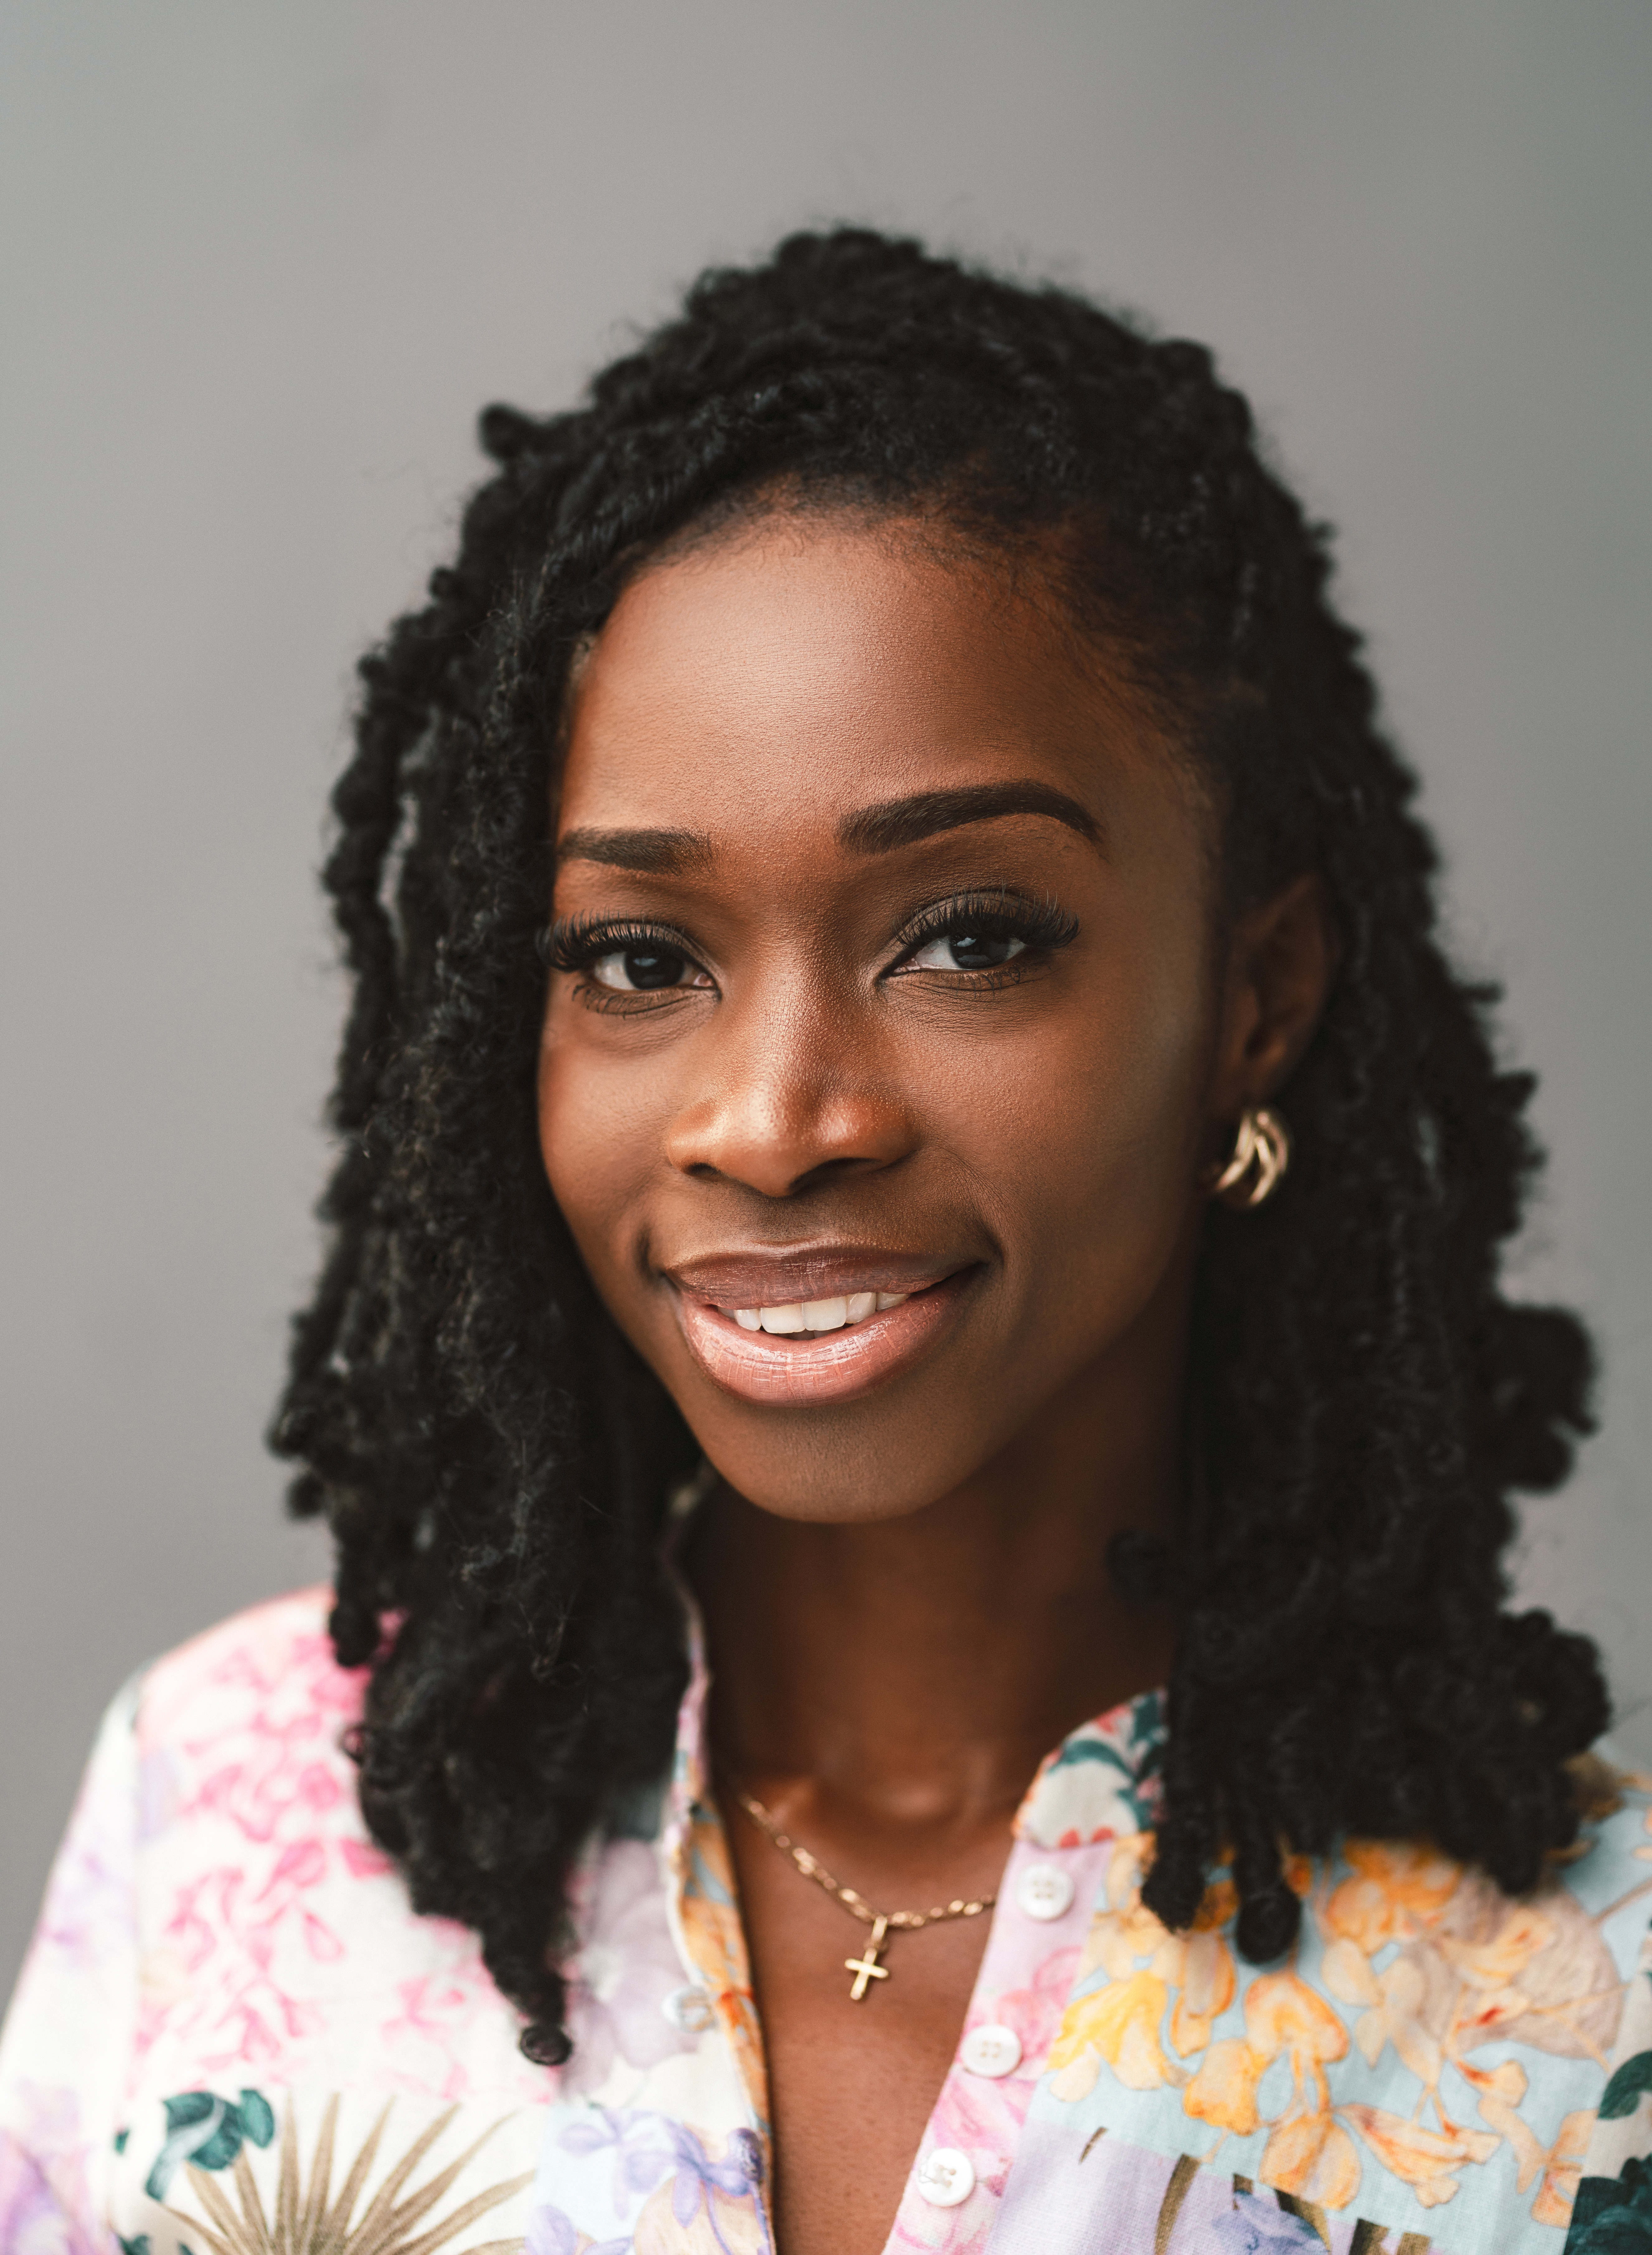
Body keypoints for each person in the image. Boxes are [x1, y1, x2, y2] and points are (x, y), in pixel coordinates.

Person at [2, 228, 1647, 2255]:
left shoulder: (1586, 2006)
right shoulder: (232, 1810)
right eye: (635, 956)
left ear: (1254, 994)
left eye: (969, 937)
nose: (776, 1122)